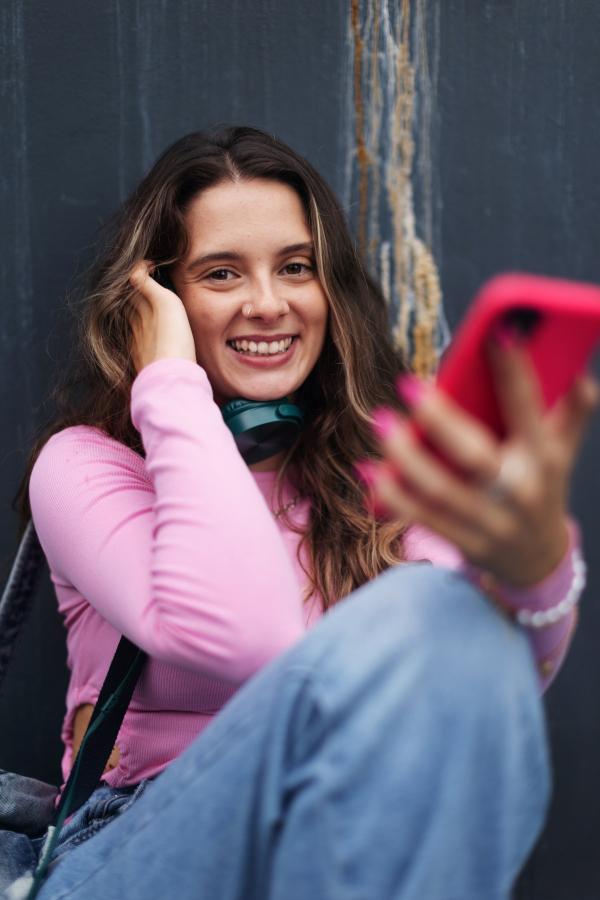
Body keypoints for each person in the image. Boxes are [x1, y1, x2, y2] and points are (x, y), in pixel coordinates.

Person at [8, 126, 597, 899]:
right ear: (159, 298)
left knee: (447, 640)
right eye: (221, 273)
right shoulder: (90, 466)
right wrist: (170, 382)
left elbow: (489, 687)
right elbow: (247, 634)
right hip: (135, 852)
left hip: (347, 843)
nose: (267, 303)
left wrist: (537, 570)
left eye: (296, 267)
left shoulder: (382, 476)